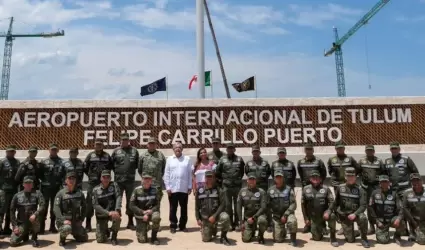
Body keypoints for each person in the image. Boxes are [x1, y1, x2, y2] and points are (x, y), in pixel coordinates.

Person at [384, 142, 419, 238]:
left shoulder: (406, 159)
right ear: (390, 150)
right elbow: (385, 175)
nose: (394, 150)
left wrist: (415, 185)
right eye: (392, 148)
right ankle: (403, 231)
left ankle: (412, 232)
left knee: (408, 210)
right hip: (393, 191)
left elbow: (415, 172)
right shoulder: (387, 161)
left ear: (399, 149)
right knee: (398, 210)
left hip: (406, 190)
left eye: (396, 148)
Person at [301, 170, 338, 246]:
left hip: (324, 215)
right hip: (314, 217)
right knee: (317, 238)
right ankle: (320, 227)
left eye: (317, 177)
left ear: (320, 179)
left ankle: (333, 236)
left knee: (332, 216)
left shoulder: (326, 189)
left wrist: (328, 211)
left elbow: (332, 202)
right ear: (310, 179)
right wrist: (306, 218)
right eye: (313, 177)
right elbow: (303, 205)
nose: (315, 178)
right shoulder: (305, 189)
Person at [334, 167, 370, 248]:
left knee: (363, 217)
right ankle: (351, 231)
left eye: (352, 176)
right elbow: (336, 203)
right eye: (348, 176)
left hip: (355, 214)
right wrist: (337, 214)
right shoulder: (340, 188)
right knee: (350, 240)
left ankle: (364, 238)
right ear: (345, 177)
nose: (350, 178)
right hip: (345, 215)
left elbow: (363, 206)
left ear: (355, 177)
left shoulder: (360, 189)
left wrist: (355, 214)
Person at [297, 143, 327, 234]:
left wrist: (319, 183)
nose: (308, 151)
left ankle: (322, 225)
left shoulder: (319, 161)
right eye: (307, 149)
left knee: (320, 205)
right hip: (306, 188)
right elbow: (300, 173)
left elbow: (324, 173)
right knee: (306, 205)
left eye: (310, 149)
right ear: (304, 150)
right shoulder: (300, 162)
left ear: (313, 150)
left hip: (317, 187)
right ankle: (308, 223)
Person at [83, 139, 113, 232]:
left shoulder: (107, 156)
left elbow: (110, 168)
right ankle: (88, 224)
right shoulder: (90, 156)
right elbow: (85, 167)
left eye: (100, 144)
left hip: (103, 184)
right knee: (89, 203)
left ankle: (103, 224)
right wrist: (91, 176)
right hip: (92, 183)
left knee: (104, 202)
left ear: (102, 146)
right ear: (94, 145)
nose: (98, 146)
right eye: (97, 144)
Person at [111, 132, 139, 230]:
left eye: (126, 140)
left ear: (128, 141)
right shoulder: (116, 151)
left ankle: (130, 222)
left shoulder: (134, 151)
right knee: (116, 201)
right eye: (123, 140)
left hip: (130, 181)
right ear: (120, 141)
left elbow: (136, 165)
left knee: (130, 201)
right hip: (118, 181)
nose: (124, 141)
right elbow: (112, 165)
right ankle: (115, 222)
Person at [163, 142, 193, 233]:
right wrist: (167, 187)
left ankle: (182, 225)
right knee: (173, 208)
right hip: (173, 189)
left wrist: (189, 186)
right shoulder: (169, 159)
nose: (178, 149)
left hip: (183, 188)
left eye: (179, 147)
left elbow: (189, 174)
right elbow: (166, 174)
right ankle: (173, 225)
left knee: (184, 208)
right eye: (176, 147)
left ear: (182, 149)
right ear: (173, 149)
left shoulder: (187, 159)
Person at [195, 170, 230, 245]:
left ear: (214, 178)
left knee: (225, 217)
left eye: (211, 177)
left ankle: (223, 236)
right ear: (205, 178)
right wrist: (198, 218)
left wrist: (215, 216)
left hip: (216, 217)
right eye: (207, 177)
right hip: (206, 218)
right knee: (206, 239)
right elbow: (197, 206)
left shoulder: (218, 189)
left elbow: (223, 204)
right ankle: (212, 228)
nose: (209, 179)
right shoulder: (200, 190)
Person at [215, 142, 245, 231]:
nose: (230, 150)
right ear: (226, 150)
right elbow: (218, 172)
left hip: (237, 186)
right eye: (228, 148)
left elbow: (242, 172)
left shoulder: (239, 159)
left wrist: (236, 179)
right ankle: (230, 224)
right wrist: (223, 181)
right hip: (226, 187)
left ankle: (236, 223)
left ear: (234, 149)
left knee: (237, 206)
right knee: (227, 206)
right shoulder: (222, 159)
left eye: (232, 148)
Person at [357, 145, 386, 235]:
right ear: (365, 151)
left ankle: (379, 225)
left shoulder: (379, 161)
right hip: (365, 188)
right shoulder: (361, 161)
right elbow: (357, 172)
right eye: (368, 151)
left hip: (376, 187)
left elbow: (384, 173)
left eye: (371, 150)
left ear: (374, 151)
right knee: (368, 207)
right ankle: (371, 227)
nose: (369, 152)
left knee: (377, 206)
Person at [54, 172, 88, 246]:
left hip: (76, 221)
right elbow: (56, 209)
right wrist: (63, 220)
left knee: (84, 238)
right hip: (65, 222)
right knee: (66, 228)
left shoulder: (79, 193)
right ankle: (62, 239)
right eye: (69, 178)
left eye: (73, 179)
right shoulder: (61, 193)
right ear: (66, 181)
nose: (71, 180)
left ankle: (74, 232)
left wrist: (81, 219)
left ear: (75, 181)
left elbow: (84, 207)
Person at [368, 175, 404, 245]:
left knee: (401, 222)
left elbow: (401, 208)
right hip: (380, 222)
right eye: (382, 182)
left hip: (391, 219)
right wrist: (377, 221)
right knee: (383, 241)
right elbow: (370, 208)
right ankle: (385, 232)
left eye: (386, 182)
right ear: (379, 183)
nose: (384, 184)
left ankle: (397, 236)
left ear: (389, 183)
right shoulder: (374, 193)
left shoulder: (394, 194)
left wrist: (398, 219)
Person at [9, 176, 45, 247]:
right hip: (22, 223)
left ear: (32, 184)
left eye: (30, 183)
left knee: (37, 217)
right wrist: (15, 226)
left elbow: (42, 206)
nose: (28, 184)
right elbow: (12, 211)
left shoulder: (37, 193)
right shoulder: (17, 196)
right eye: (26, 183)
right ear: (23, 184)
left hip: (33, 220)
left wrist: (35, 214)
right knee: (13, 242)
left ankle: (34, 238)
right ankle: (25, 234)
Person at [267, 170, 297, 245]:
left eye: (280, 177)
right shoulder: (270, 190)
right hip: (276, 216)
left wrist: (286, 214)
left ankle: (293, 240)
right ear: (274, 179)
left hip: (288, 214)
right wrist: (270, 219)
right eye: (277, 177)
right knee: (278, 240)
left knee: (292, 221)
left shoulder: (289, 189)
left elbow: (293, 204)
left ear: (283, 178)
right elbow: (267, 205)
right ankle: (282, 231)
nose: (279, 179)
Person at [39, 143, 64, 234]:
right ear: (49, 150)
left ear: (57, 151)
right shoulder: (43, 162)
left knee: (55, 207)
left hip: (56, 188)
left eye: (55, 149)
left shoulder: (62, 162)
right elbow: (40, 174)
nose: (53, 151)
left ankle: (52, 226)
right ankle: (41, 227)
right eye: (52, 149)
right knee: (43, 207)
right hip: (45, 188)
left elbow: (63, 175)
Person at [92, 170, 122, 245]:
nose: (106, 179)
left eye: (108, 177)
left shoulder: (114, 185)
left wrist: (117, 209)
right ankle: (106, 230)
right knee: (100, 240)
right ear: (101, 178)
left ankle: (114, 236)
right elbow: (96, 206)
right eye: (104, 177)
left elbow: (118, 197)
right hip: (102, 214)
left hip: (113, 213)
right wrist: (108, 213)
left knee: (117, 218)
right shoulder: (95, 189)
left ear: (110, 178)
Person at [130, 173, 161, 245]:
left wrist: (151, 211)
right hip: (141, 215)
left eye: (149, 179)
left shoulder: (155, 190)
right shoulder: (136, 190)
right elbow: (132, 205)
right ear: (142, 180)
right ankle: (146, 227)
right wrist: (142, 212)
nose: (147, 181)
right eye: (145, 179)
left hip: (151, 213)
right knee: (142, 240)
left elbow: (157, 204)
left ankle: (154, 237)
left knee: (156, 217)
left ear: (151, 181)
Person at [236, 172, 267, 244]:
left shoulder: (261, 192)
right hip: (248, 219)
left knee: (262, 220)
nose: (252, 181)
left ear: (256, 181)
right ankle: (252, 231)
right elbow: (238, 207)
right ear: (247, 180)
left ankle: (260, 235)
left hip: (258, 217)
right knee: (246, 239)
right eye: (250, 179)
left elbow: (263, 207)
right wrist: (241, 222)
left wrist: (254, 217)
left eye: (253, 179)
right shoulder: (242, 191)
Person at [138, 137, 166, 211]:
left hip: (157, 185)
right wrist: (145, 180)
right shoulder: (143, 156)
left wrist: (158, 177)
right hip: (146, 186)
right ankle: (143, 221)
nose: (152, 145)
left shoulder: (160, 155)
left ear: (156, 145)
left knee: (156, 204)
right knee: (144, 203)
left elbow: (164, 168)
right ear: (147, 145)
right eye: (150, 144)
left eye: (153, 144)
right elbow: (140, 170)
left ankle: (155, 220)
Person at [0, 145, 20, 235]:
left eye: (12, 151)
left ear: (15, 152)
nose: (11, 153)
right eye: (9, 151)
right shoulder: (2, 162)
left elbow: (19, 176)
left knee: (11, 209)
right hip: (3, 190)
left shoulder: (17, 162)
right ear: (6, 152)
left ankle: (7, 227)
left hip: (13, 190)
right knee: (1, 209)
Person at [402, 173, 425, 244]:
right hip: (415, 221)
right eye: (413, 181)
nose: (415, 183)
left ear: (422, 181)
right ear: (411, 182)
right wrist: (413, 221)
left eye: (417, 180)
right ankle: (413, 232)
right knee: (422, 241)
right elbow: (404, 208)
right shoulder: (407, 193)